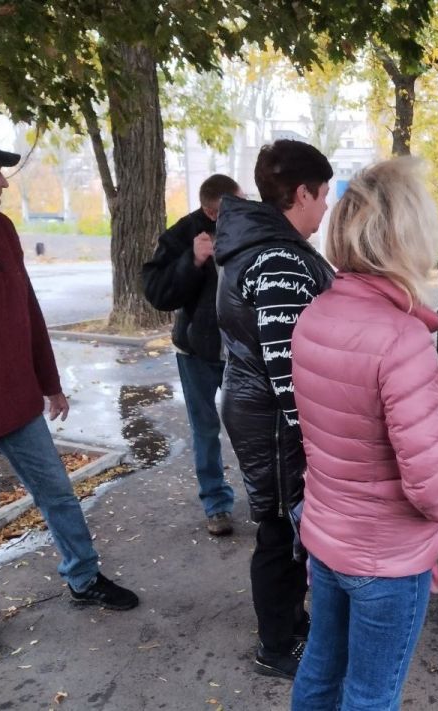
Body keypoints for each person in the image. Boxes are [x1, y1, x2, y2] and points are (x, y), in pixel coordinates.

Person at [0, 128, 139, 662]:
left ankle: (84, 579)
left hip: (16, 403)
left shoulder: (1, 228)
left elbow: (25, 309)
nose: (4, 184)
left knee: (58, 493)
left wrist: (49, 381)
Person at [289, 158, 438, 710]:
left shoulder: (314, 315)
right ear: (407, 235)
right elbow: (429, 487)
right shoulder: (402, 339)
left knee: (320, 671)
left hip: (328, 539)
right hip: (387, 559)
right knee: (371, 695)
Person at [214, 139, 334, 679]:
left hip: (259, 409)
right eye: (324, 194)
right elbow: (287, 365)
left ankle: (289, 619)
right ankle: (276, 646)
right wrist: (315, 436)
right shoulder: (280, 256)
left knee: (282, 525)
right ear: (302, 193)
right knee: (281, 529)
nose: (327, 207)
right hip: (276, 420)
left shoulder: (264, 244)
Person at [142, 174, 242, 536]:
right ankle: (216, 505)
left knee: (250, 428)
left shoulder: (247, 229)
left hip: (240, 352)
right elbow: (157, 293)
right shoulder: (182, 234)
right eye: (228, 210)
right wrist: (192, 260)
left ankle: (265, 499)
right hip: (195, 351)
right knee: (205, 431)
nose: (237, 213)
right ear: (209, 211)